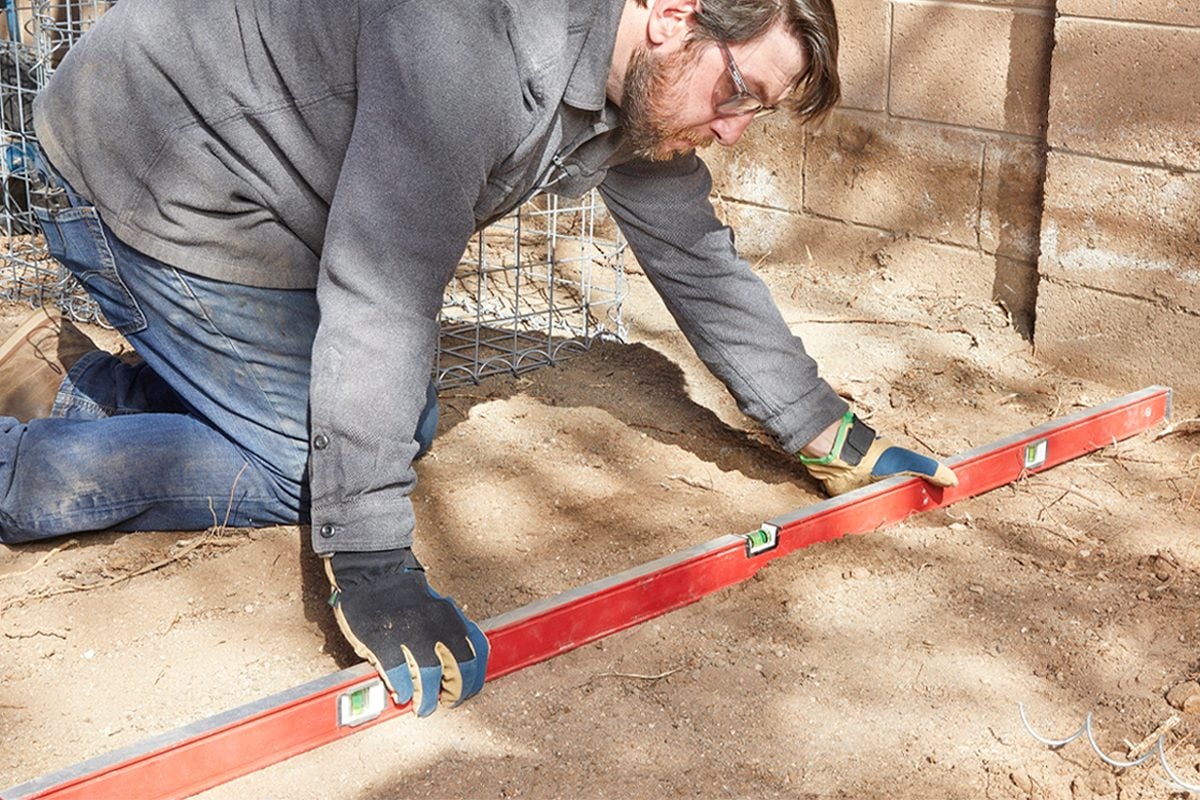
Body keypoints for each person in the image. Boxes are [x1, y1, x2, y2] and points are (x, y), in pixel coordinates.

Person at [0, 0, 957, 718]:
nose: (736, 126)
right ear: (673, 15)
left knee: (384, 425)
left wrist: (825, 429)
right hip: (150, 167)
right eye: (740, 91)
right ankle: (18, 471)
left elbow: (694, 252)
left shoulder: (637, 77)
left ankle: (77, 386)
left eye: (759, 110)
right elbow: (380, 289)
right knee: (318, 467)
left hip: (262, 184)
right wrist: (370, 560)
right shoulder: (477, 45)